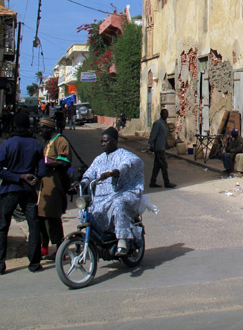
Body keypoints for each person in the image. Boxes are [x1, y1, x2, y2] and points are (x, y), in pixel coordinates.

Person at [0, 109, 44, 275]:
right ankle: (34, 263)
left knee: (3, 226)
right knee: (33, 225)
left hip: (9, 189)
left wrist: (18, 176)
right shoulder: (36, 144)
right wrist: (31, 178)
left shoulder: (8, 144)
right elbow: (41, 171)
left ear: (14, 125)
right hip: (28, 190)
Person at [82, 127, 144, 256]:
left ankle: (122, 239)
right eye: (101, 142)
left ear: (115, 142)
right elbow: (90, 172)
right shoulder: (99, 158)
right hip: (102, 196)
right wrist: (83, 181)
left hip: (123, 191)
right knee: (86, 209)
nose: (103, 144)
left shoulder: (124, 155)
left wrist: (114, 172)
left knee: (118, 202)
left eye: (106, 141)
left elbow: (128, 164)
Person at [36, 117, 72, 258]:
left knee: (52, 218)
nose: (40, 132)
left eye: (42, 129)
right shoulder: (48, 143)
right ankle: (44, 246)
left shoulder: (60, 141)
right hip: (43, 186)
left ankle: (59, 249)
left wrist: (48, 164)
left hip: (55, 185)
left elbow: (65, 163)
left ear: (48, 129)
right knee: (41, 217)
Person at [148, 108, 175, 188]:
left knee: (157, 166)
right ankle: (167, 182)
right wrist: (151, 144)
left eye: (167, 114)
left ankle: (152, 182)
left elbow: (164, 136)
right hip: (158, 148)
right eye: (164, 114)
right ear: (161, 114)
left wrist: (167, 145)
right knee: (164, 166)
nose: (166, 115)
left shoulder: (164, 124)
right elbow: (153, 135)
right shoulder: (158, 123)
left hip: (162, 147)